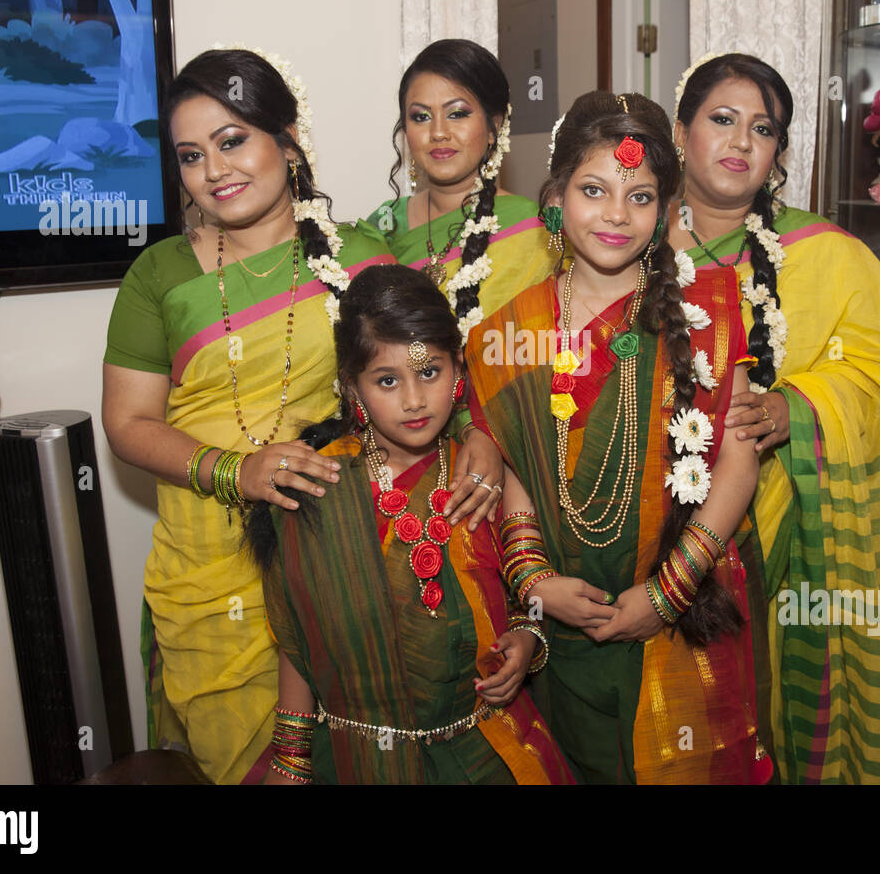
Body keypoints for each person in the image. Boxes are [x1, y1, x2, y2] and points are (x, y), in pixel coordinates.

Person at [100, 48, 500, 784]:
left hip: (344, 555)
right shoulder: (159, 275)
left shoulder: (362, 256)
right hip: (208, 573)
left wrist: (477, 434)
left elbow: (430, 368)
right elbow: (126, 424)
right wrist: (234, 470)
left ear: (287, 141)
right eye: (192, 155)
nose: (214, 169)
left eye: (233, 141)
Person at [465, 90, 771, 784]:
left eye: (639, 197)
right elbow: (520, 471)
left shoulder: (709, 309)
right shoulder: (510, 332)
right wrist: (535, 581)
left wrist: (666, 594)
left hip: (685, 613)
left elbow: (737, 458)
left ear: (665, 212)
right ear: (555, 196)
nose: (614, 215)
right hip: (563, 629)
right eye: (594, 190)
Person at [669, 51, 880, 783]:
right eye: (721, 120)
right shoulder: (623, 239)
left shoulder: (828, 252)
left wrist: (800, 406)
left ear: (778, 153)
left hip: (785, 539)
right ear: (679, 132)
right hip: (640, 531)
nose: (740, 143)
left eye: (762, 129)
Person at [248, 264, 574, 784]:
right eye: (386, 380)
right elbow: (298, 636)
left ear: (458, 372)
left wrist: (527, 638)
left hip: (481, 746)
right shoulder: (318, 486)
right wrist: (291, 755)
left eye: (430, 372)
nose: (415, 400)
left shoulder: (483, 475)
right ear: (352, 388)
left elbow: (525, 591)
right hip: (358, 757)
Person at [366, 39, 558, 339]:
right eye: (421, 117)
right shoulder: (383, 226)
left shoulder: (535, 230)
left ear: (495, 125)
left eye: (457, 114)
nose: (438, 132)